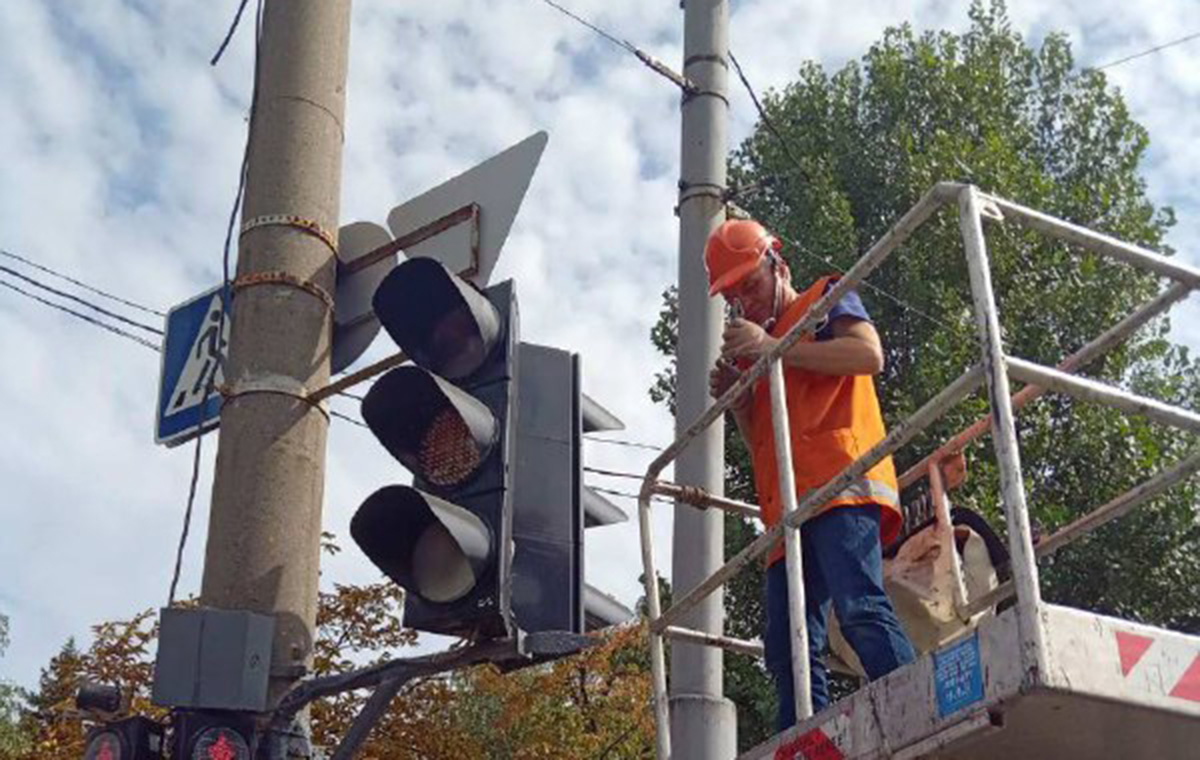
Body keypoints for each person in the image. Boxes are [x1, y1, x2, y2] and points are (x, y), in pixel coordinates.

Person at [704, 218, 915, 730]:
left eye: (750, 285)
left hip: (841, 485)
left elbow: (869, 354)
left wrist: (770, 349)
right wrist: (738, 396)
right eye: (733, 296)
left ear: (778, 264)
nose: (745, 303)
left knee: (860, 609)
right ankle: (805, 742)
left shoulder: (823, 297)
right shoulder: (761, 346)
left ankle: (919, 712)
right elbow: (763, 435)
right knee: (787, 648)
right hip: (788, 513)